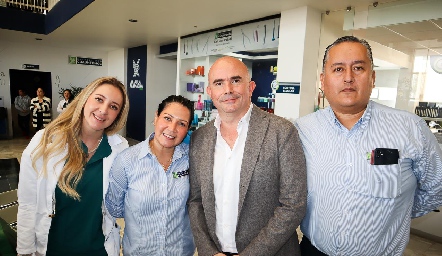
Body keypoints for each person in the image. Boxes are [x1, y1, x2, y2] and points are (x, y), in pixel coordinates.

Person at [294, 36, 442, 256]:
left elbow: (435, 188)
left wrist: (395, 211)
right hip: (312, 251)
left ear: (372, 78)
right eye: (338, 69)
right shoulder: (302, 129)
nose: (348, 78)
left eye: (358, 68)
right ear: (323, 80)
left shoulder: (411, 128)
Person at [188, 56, 307, 256]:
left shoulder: (282, 132)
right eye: (219, 83)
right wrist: (209, 251)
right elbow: (195, 201)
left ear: (250, 87)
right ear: (210, 92)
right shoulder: (200, 138)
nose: (228, 90)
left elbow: (293, 205)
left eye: (235, 80)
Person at [17, 77, 130, 256]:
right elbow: (27, 203)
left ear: (118, 115)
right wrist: (24, 251)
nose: (103, 110)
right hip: (53, 249)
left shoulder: (119, 148)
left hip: (99, 250)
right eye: (99, 99)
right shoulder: (45, 140)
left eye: (113, 106)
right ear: (85, 99)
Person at [105, 95, 196, 255]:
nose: (172, 128)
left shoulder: (191, 160)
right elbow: (115, 208)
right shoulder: (127, 160)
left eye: (181, 123)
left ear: (187, 130)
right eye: (167, 118)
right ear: (156, 117)